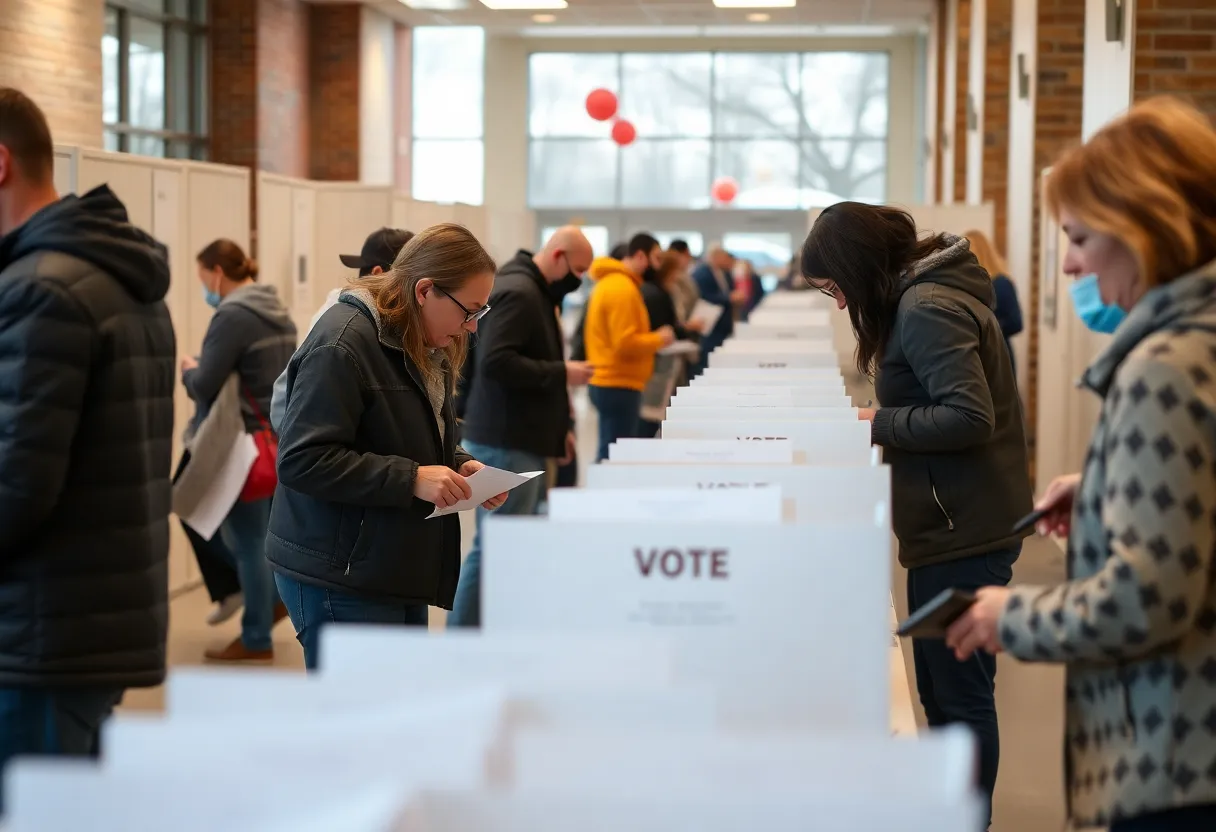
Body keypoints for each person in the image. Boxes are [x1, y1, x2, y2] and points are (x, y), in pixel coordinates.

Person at [947, 97, 1216, 832]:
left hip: (1180, 758)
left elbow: (1147, 598)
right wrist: (1105, 488)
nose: (1067, 263)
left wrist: (1014, 615)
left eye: (1079, 237)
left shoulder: (1165, 365)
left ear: (1145, 229)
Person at [801, 201, 1034, 827]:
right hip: (953, 519)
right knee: (941, 688)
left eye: (835, 288)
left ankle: (967, 817)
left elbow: (968, 415)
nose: (842, 305)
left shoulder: (926, 307)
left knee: (958, 695)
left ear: (855, 266)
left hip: (964, 527)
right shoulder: (924, 298)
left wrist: (874, 423)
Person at [0, 88, 175, 784]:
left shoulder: (42, 289)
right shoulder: (114, 279)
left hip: (39, 635)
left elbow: (16, 486)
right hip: (81, 627)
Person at [268, 224, 507, 670]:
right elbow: (302, 459)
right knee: (360, 727)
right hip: (338, 574)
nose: (472, 327)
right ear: (425, 290)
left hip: (387, 565)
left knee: (392, 719)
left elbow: (396, 431)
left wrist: (459, 464)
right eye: (468, 311)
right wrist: (413, 478)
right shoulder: (343, 343)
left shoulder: (417, 339)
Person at [450, 227, 595, 628]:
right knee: (497, 547)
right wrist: (562, 372)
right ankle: (463, 641)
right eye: (578, 269)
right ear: (559, 255)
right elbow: (497, 362)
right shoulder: (519, 291)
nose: (578, 279)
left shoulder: (532, 290)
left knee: (508, 547)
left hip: (520, 435)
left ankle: (492, 634)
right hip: (506, 439)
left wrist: (559, 425)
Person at [182, 239, 296, 663]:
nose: (205, 289)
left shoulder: (231, 314)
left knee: (242, 538)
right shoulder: (276, 308)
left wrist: (188, 372)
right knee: (256, 538)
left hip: (238, 446)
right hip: (274, 439)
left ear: (216, 271)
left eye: (202, 279)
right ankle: (266, 601)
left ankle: (255, 637)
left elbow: (207, 383)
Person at [270, 227, 414, 432]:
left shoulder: (383, 320)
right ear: (378, 273)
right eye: (408, 280)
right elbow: (285, 399)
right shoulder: (341, 324)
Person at [583, 233, 675, 462]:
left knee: (612, 451)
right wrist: (659, 338)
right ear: (640, 256)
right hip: (617, 382)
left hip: (615, 379)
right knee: (615, 456)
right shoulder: (621, 288)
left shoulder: (617, 284)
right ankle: (605, 497)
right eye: (656, 257)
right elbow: (624, 344)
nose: (658, 265)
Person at [639, 250, 705, 436]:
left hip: (665, 359)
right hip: (659, 362)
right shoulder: (656, 293)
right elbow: (665, 328)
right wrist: (685, 328)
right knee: (650, 418)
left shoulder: (664, 290)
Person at [965, 229, 1023, 377]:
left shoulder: (1001, 283)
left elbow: (1016, 323)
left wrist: (987, 328)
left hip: (996, 354)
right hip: (974, 354)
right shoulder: (968, 285)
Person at [691, 244, 746, 374]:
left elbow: (729, 291)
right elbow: (704, 296)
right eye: (723, 257)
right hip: (710, 324)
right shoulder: (702, 273)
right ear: (715, 257)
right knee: (708, 358)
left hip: (724, 323)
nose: (726, 260)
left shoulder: (725, 273)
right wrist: (729, 298)